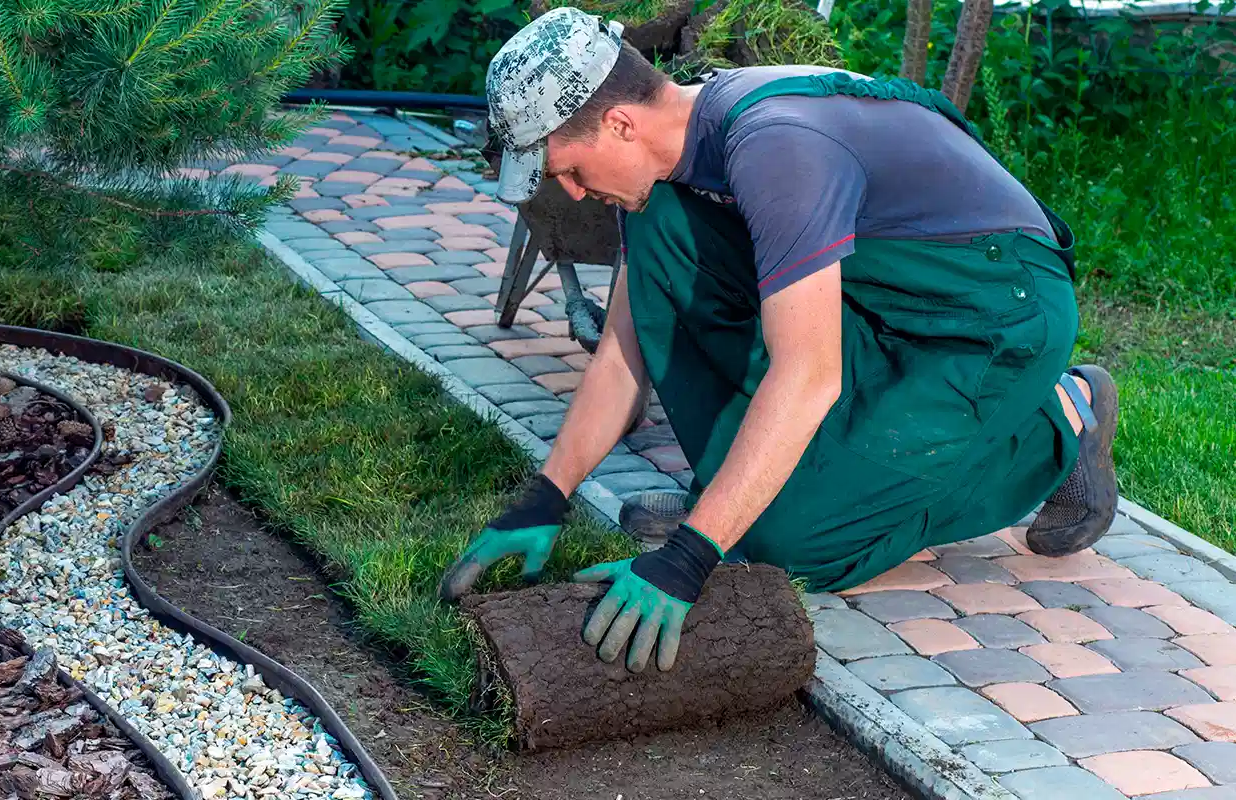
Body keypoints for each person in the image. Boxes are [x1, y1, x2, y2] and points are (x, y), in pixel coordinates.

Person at [437, 7, 1120, 675]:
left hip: (989, 321)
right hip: (883, 299)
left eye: (566, 168)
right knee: (662, 231)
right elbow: (624, 350)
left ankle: (1056, 421)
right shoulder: (678, 153)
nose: (573, 194)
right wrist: (546, 494)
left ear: (618, 122)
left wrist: (690, 557)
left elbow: (807, 376)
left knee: (786, 546)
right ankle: (752, 487)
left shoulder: (776, 146)